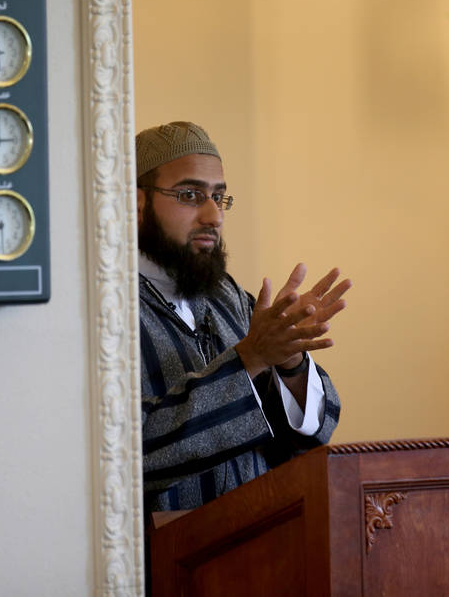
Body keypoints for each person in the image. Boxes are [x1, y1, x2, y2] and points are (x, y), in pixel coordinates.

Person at [137, 121, 350, 514]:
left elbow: (313, 438)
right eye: (190, 195)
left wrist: (289, 363)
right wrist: (250, 358)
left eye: (219, 198)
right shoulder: (106, 311)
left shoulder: (228, 296)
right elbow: (129, 450)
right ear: (136, 202)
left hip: (257, 547)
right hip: (166, 562)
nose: (214, 216)